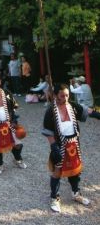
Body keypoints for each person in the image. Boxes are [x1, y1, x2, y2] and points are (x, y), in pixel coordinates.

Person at [42, 83, 93, 213]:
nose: (65, 98)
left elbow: (87, 111)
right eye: (61, 96)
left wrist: (98, 115)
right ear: (55, 96)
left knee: (75, 169)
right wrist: (54, 147)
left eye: (67, 95)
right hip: (59, 144)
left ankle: (76, 194)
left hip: (74, 143)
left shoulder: (73, 106)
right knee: (57, 171)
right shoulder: (51, 110)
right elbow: (48, 131)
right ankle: (54, 198)